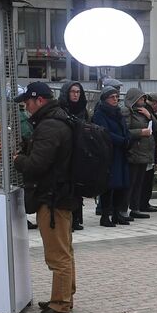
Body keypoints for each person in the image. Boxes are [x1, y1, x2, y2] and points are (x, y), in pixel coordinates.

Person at [13, 81, 77, 313]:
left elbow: (37, 165)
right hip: (61, 195)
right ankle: (64, 296)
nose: (26, 108)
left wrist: (19, 159)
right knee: (65, 250)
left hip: (52, 198)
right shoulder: (59, 118)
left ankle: (60, 304)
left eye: (27, 102)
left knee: (57, 254)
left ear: (39, 99)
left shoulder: (49, 125)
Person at [92, 85, 131, 226]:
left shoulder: (118, 112)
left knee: (121, 184)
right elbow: (104, 132)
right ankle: (105, 215)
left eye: (117, 97)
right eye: (112, 97)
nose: (115, 99)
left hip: (121, 152)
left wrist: (128, 138)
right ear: (105, 99)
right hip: (108, 153)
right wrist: (122, 140)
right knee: (109, 185)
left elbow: (124, 128)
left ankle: (116, 214)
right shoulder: (99, 113)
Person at [58, 81, 89, 230]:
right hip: (65, 152)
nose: (76, 95)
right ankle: (67, 219)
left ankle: (77, 218)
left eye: (78, 92)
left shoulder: (83, 110)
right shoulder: (61, 110)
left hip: (80, 151)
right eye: (73, 92)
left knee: (78, 187)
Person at [125, 88, 157, 220]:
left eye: (144, 98)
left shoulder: (144, 112)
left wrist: (149, 116)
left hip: (145, 152)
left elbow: (156, 127)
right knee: (131, 182)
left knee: (139, 182)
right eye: (141, 98)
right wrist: (140, 132)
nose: (143, 101)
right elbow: (125, 131)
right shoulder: (127, 112)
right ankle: (123, 208)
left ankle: (135, 208)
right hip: (134, 151)